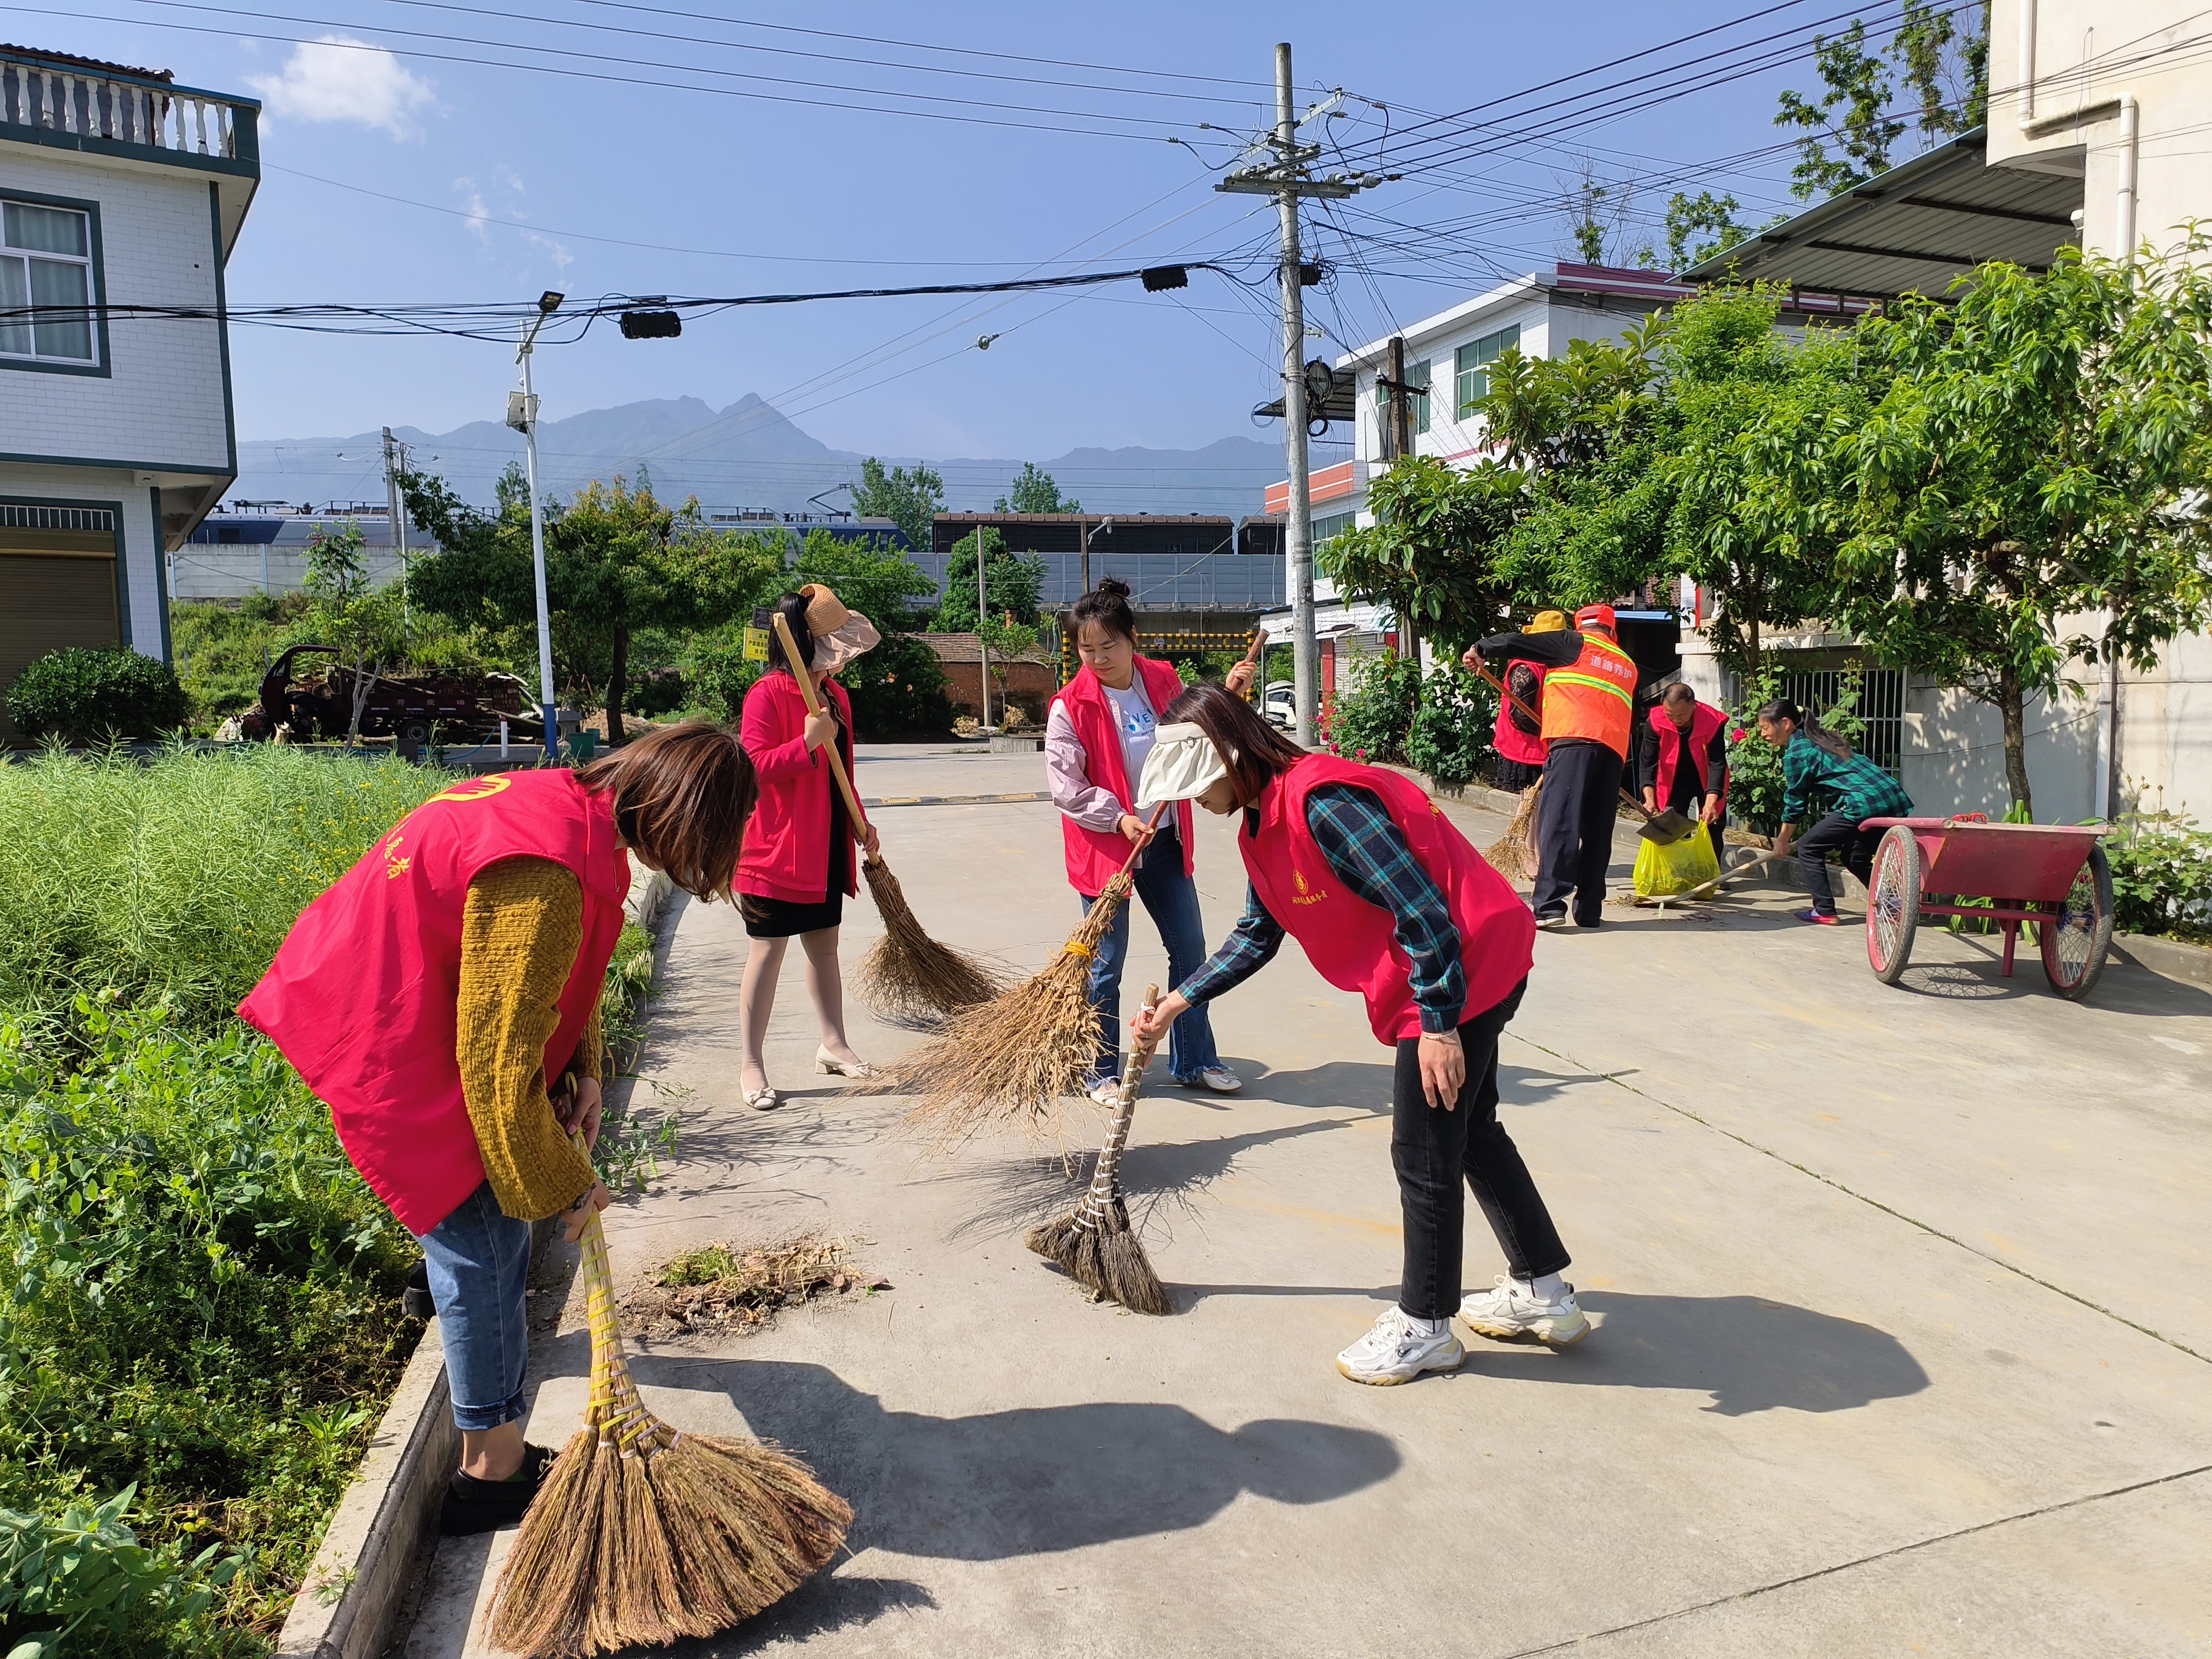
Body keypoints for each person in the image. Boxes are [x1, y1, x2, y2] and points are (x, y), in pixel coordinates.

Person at [240, 723, 760, 1534]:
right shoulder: (547, 872)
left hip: (409, 988)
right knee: (488, 1240)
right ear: (681, 816)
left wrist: (584, 1071)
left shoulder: (570, 807)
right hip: (384, 1014)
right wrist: (567, 1183)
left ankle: (437, 1289)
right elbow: (492, 1067)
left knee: (474, 1222)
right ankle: (490, 1475)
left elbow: (542, 988)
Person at [1129, 685, 1588, 1387]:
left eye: (1200, 786)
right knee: (1476, 1133)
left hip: (1460, 963)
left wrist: (1439, 1025)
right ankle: (1544, 1293)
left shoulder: (1324, 804)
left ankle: (1426, 1326)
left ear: (1233, 757)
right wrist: (1179, 1005)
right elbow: (1259, 931)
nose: (1197, 802)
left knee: (1424, 1150)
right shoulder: (1261, 825)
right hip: (1458, 963)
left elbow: (1425, 913)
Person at [1045, 578, 1240, 1099]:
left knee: (1192, 951)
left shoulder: (1162, 679)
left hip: (1166, 839)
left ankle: (1196, 1060)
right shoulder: (1070, 706)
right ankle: (1099, 1070)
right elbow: (1067, 788)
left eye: (1109, 646)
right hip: (1107, 848)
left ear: (1133, 638)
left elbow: (1191, 737)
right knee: (1106, 963)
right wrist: (1117, 817)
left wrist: (1227, 700)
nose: (1098, 658)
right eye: (1087, 649)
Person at [735, 584, 884, 1109]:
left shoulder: (836, 697)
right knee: (767, 952)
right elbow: (751, 768)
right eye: (835, 646)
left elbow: (843, 776)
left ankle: (833, 1044)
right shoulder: (767, 695)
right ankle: (752, 1064)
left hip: (823, 845)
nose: (843, 658)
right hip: (772, 850)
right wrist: (804, 745)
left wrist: (861, 823)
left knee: (824, 948)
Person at [1468, 603, 1639, 930]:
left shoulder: (1573, 644)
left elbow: (1517, 643)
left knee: (1561, 821)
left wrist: (1482, 648)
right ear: (1612, 630)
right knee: (1598, 832)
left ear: (1579, 627)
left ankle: (1549, 906)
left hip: (1573, 741)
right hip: (1613, 751)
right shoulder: (1626, 663)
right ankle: (1589, 910)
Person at [1758, 698, 1914, 925]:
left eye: (1765, 728)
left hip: (1862, 803)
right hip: (1892, 799)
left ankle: (1824, 910)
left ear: (1786, 723)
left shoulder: (1797, 754)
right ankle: (1893, 905)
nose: (1763, 735)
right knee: (1855, 857)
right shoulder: (1822, 738)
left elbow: (1796, 801)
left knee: (1809, 847)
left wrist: (1783, 839)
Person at [1640, 681, 1730, 865]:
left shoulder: (1712, 721)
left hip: (1706, 777)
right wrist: (1649, 799)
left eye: (1681, 715)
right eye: (1670, 715)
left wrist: (1711, 803)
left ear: (1694, 705)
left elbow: (1717, 762)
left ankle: (1712, 873)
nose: (1676, 720)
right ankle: (1683, 870)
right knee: (1675, 825)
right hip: (1673, 779)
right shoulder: (1655, 720)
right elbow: (1647, 762)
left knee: (1712, 823)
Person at [1490, 610, 1567, 793]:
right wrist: (1551, 735)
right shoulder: (1526, 668)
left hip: (1546, 750)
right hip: (1525, 749)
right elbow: (1520, 715)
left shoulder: (1557, 666)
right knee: (1530, 807)